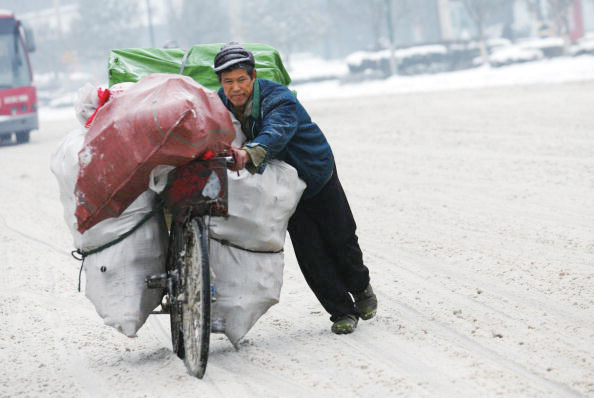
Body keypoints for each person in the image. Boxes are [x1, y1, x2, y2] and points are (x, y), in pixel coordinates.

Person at [213, 42, 377, 334]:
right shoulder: (219, 105)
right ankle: (341, 311)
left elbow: (276, 131)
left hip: (315, 173)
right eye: (228, 82)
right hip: (281, 189)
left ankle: (361, 287)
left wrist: (248, 154)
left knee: (341, 238)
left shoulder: (279, 97)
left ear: (253, 77)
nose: (236, 88)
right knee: (310, 251)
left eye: (241, 80)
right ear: (220, 83)